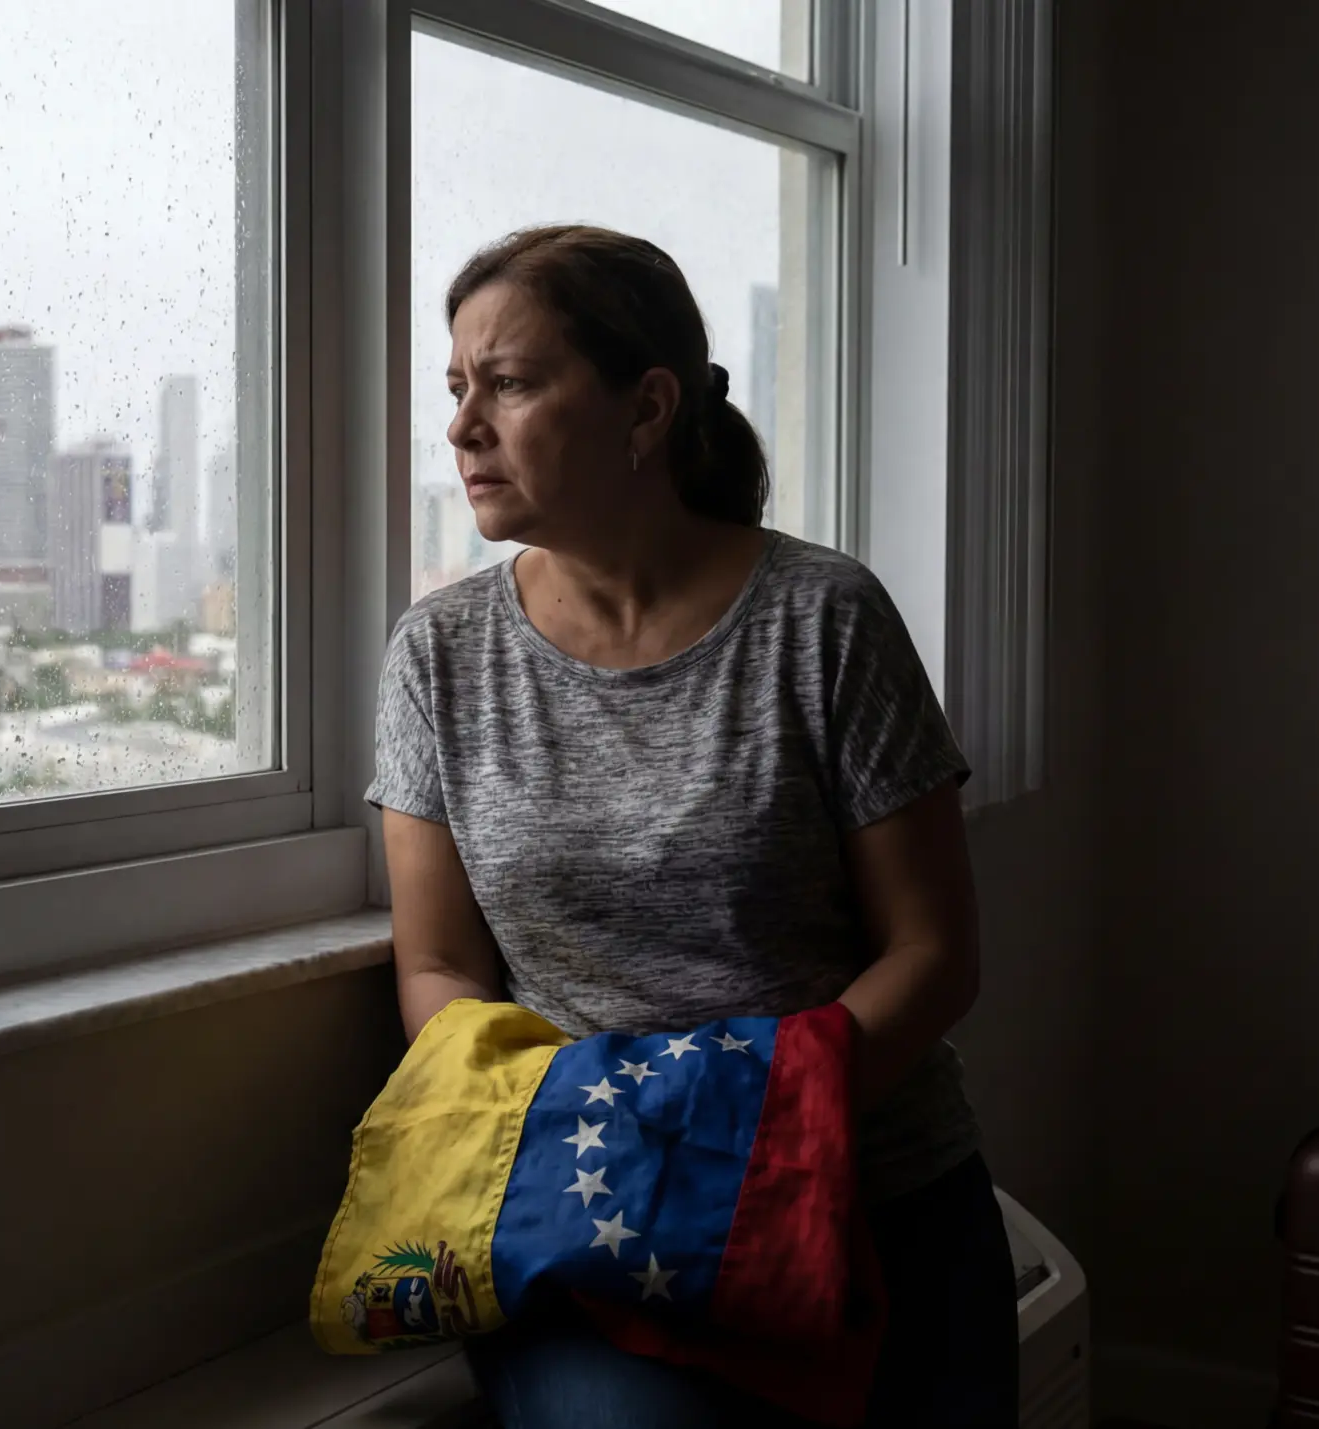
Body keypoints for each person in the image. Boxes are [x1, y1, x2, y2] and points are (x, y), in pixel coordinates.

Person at [366, 224, 1019, 1427]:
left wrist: (750, 1125)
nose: (462, 427)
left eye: (507, 384)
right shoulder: (439, 656)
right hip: (592, 1216)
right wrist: (604, 1128)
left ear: (646, 407)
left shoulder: (823, 618)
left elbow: (933, 953)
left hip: (876, 1193)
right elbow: (439, 963)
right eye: (457, 388)